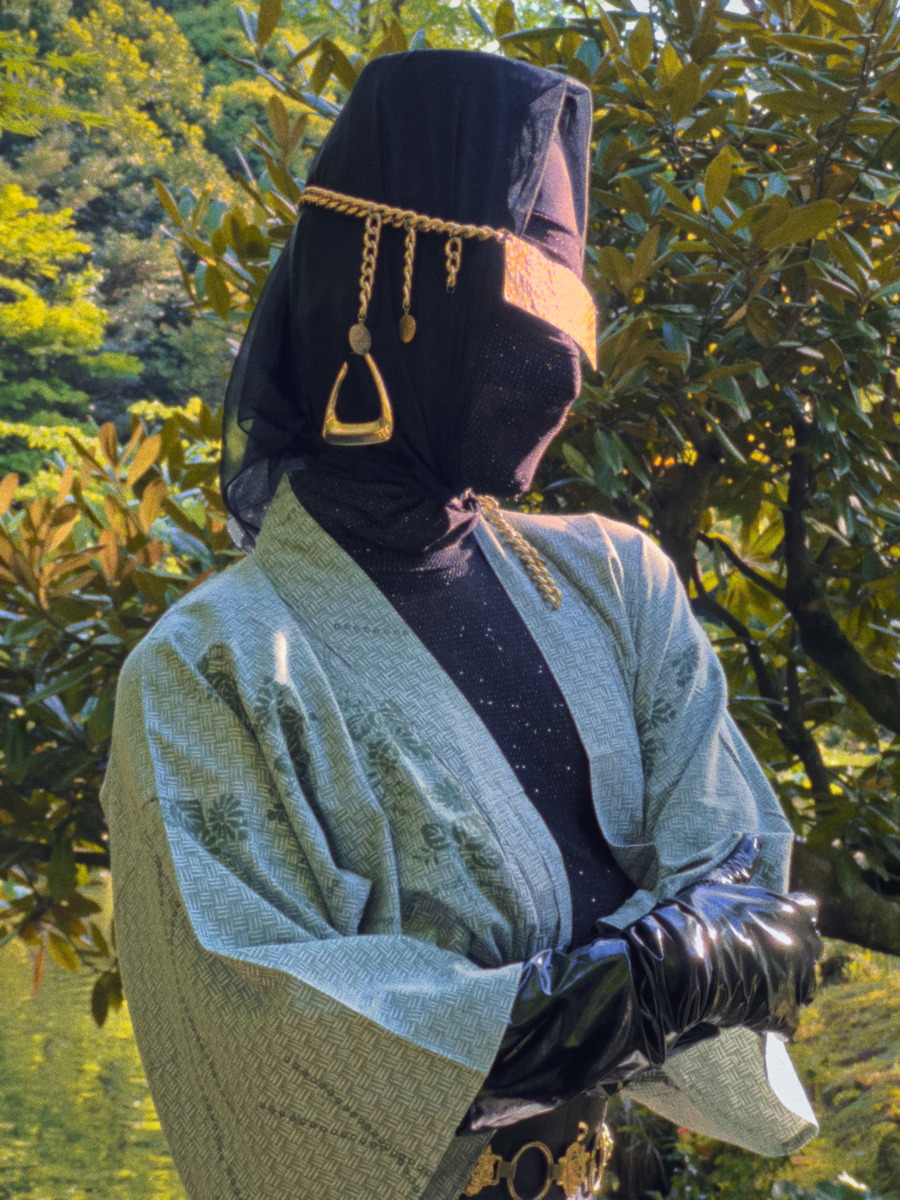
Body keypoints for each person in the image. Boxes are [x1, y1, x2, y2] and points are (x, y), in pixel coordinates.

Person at [101, 50, 822, 1200]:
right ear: (382, 298)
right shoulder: (212, 675)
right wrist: (655, 976)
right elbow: (285, 1045)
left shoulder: (613, 583)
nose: (565, 353)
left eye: (572, 288)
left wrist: (574, 997)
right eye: (525, 281)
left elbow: (745, 882)